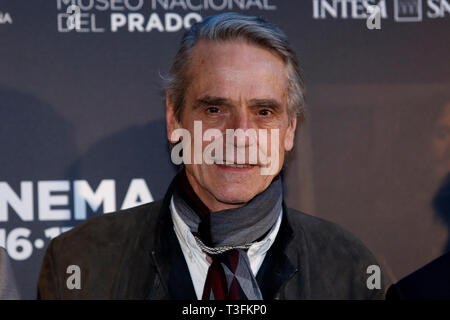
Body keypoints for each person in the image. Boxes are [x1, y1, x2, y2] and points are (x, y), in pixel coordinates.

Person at [38, 12, 384, 300]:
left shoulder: (349, 270)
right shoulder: (81, 262)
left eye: (264, 112)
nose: (240, 135)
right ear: (174, 117)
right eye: (215, 108)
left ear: (290, 129)